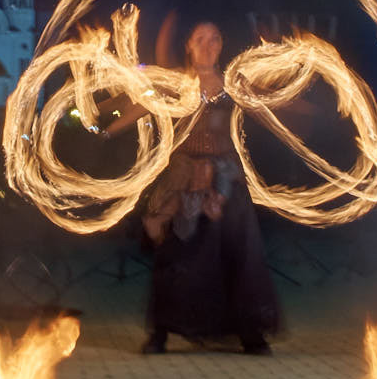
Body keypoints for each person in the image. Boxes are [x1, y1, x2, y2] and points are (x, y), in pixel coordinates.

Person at [111, 19, 282, 355]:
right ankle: (161, 331)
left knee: (235, 253)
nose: (207, 45)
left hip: (225, 180)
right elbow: (143, 106)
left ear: (222, 45)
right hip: (184, 177)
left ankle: (250, 333)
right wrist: (106, 130)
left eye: (214, 39)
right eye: (200, 38)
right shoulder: (177, 83)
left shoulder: (233, 84)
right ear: (188, 45)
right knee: (176, 255)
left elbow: (267, 108)